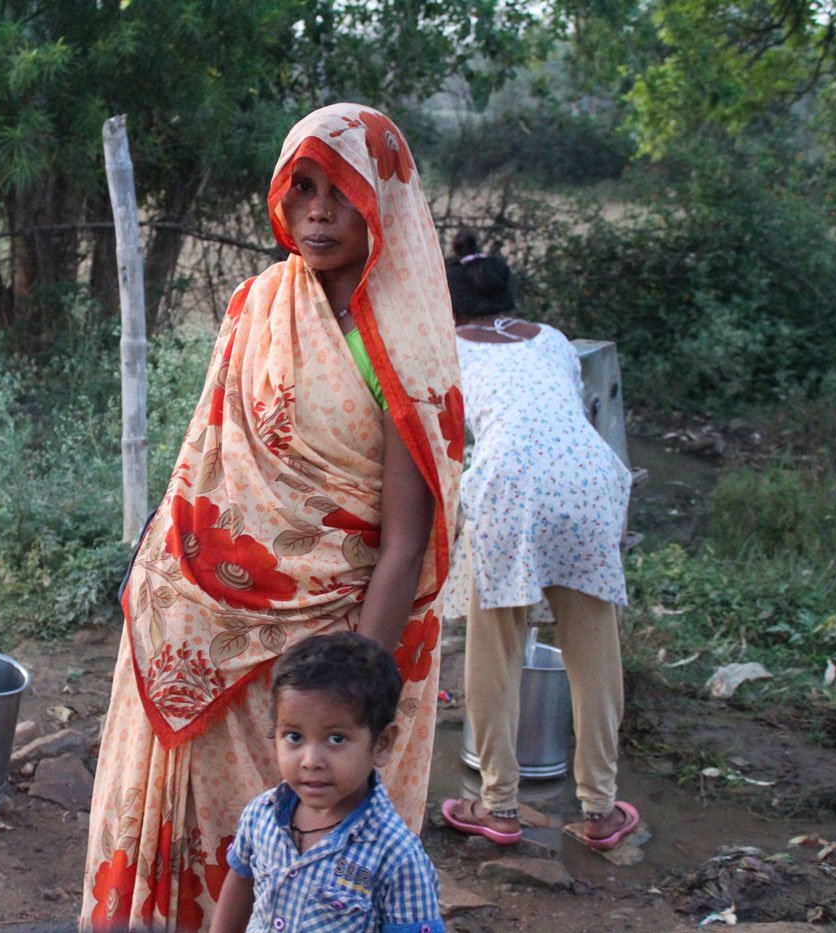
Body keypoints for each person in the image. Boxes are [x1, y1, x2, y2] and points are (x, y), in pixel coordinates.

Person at [82, 103, 462, 930]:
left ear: (384, 202)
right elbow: (207, 459)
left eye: (342, 191)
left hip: (318, 655)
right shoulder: (258, 304)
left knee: (310, 856)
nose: (318, 212)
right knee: (227, 843)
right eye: (303, 188)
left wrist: (356, 685)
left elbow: (405, 544)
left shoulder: (408, 347)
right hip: (191, 620)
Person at [438, 230, 640, 849]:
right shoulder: (551, 339)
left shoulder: (448, 348)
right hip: (590, 477)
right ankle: (601, 811)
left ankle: (497, 806)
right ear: (508, 296)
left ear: (450, 303)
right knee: (594, 650)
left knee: (495, 644)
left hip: (507, 485)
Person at [211, 632, 447, 933]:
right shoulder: (262, 814)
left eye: (336, 739)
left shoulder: (397, 857)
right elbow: (241, 879)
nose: (311, 760)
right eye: (294, 736)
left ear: (382, 744)